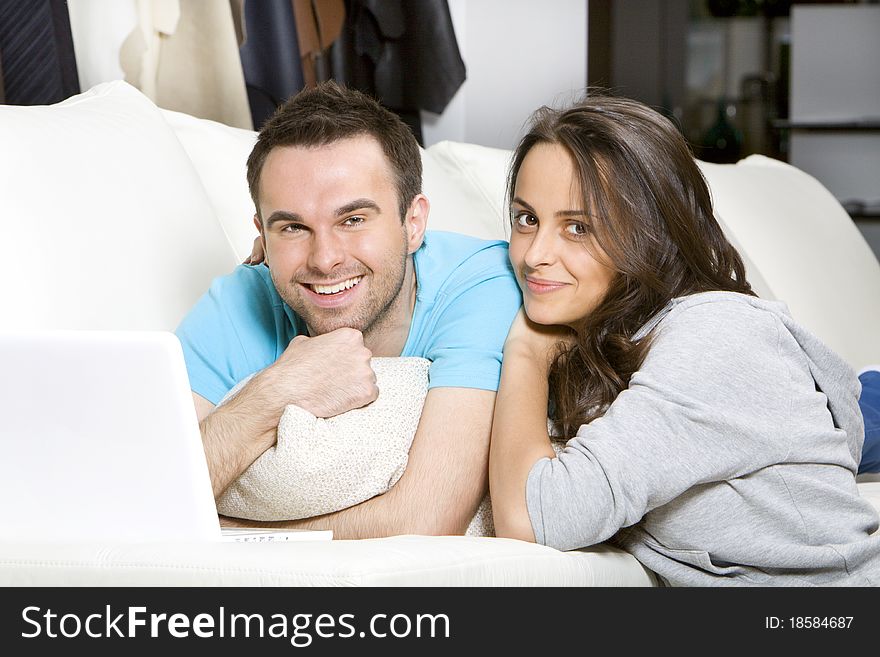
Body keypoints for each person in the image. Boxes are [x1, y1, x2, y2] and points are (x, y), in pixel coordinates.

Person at [488, 93, 880, 585]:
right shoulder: (606, 337)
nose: (535, 255)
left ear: (651, 232)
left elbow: (531, 517)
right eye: (527, 219)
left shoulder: (713, 335)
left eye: (579, 227)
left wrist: (525, 348)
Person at [175, 81, 521, 539]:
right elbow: (146, 495)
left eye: (353, 220)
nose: (324, 259)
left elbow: (428, 518)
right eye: (293, 228)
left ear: (413, 222)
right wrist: (278, 391)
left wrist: (234, 531)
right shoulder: (241, 298)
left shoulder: (483, 284)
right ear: (261, 233)